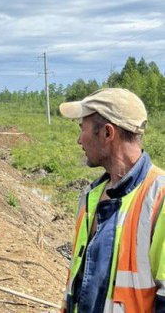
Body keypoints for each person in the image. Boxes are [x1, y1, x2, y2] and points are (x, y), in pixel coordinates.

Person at [59, 88, 165, 312]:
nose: (79, 140)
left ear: (107, 133)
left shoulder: (159, 198)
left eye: (82, 129)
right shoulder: (91, 195)